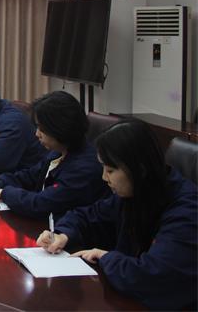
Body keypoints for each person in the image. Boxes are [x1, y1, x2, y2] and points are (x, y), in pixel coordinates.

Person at [37, 120, 197, 310]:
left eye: (110, 170)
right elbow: (89, 216)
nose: (104, 177)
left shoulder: (187, 211)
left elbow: (152, 276)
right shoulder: (136, 191)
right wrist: (63, 234)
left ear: (139, 169)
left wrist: (105, 257)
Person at [0, 91, 108, 219]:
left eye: (42, 129)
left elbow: (42, 204)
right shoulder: (58, 152)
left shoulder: (84, 168)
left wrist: (5, 193)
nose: (37, 134)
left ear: (60, 128)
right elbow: (29, 176)